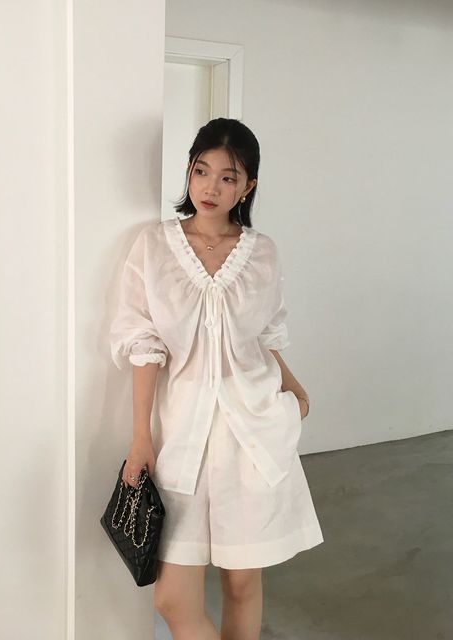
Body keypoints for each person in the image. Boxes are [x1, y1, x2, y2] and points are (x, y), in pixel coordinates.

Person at [109, 118, 324, 640]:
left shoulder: (262, 251)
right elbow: (143, 343)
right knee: (172, 599)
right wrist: (141, 438)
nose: (211, 187)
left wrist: (294, 390)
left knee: (242, 583)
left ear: (248, 187)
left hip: (252, 432)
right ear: (188, 171)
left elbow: (264, 336)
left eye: (229, 177)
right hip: (183, 437)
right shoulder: (154, 245)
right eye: (202, 170)